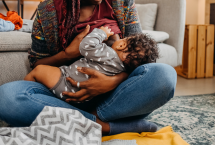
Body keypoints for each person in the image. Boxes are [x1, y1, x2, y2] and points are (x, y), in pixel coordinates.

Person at [0, 0, 177, 135]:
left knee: (164, 75)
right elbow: (37, 63)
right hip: (63, 94)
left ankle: (79, 123)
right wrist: (68, 54)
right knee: (8, 97)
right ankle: (102, 126)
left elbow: (139, 58)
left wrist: (112, 81)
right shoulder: (49, 10)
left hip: (113, 97)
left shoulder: (121, 1)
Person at [24, 26, 159, 104]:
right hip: (82, 98)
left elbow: (86, 46)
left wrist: (102, 33)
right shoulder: (120, 69)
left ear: (123, 44)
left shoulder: (109, 54)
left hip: (66, 82)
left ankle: (24, 90)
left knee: (39, 71)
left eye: (123, 39)